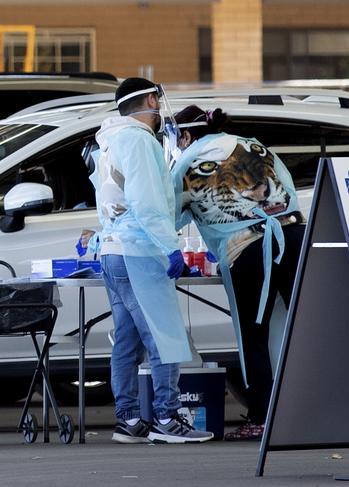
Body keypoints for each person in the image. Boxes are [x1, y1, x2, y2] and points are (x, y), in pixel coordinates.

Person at [171, 105, 305, 440]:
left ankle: (261, 416)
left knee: (253, 338)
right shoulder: (254, 144)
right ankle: (323, 408)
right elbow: (289, 192)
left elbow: (169, 216)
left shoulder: (188, 162)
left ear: (185, 135)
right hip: (295, 237)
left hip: (249, 248)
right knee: (306, 327)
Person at [93, 79, 213, 444]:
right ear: (149, 100)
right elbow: (147, 203)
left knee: (127, 342)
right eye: (158, 102)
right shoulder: (141, 141)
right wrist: (170, 247)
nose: (162, 109)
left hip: (113, 251)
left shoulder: (109, 139)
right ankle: (166, 417)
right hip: (141, 250)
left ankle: (128, 420)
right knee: (163, 337)